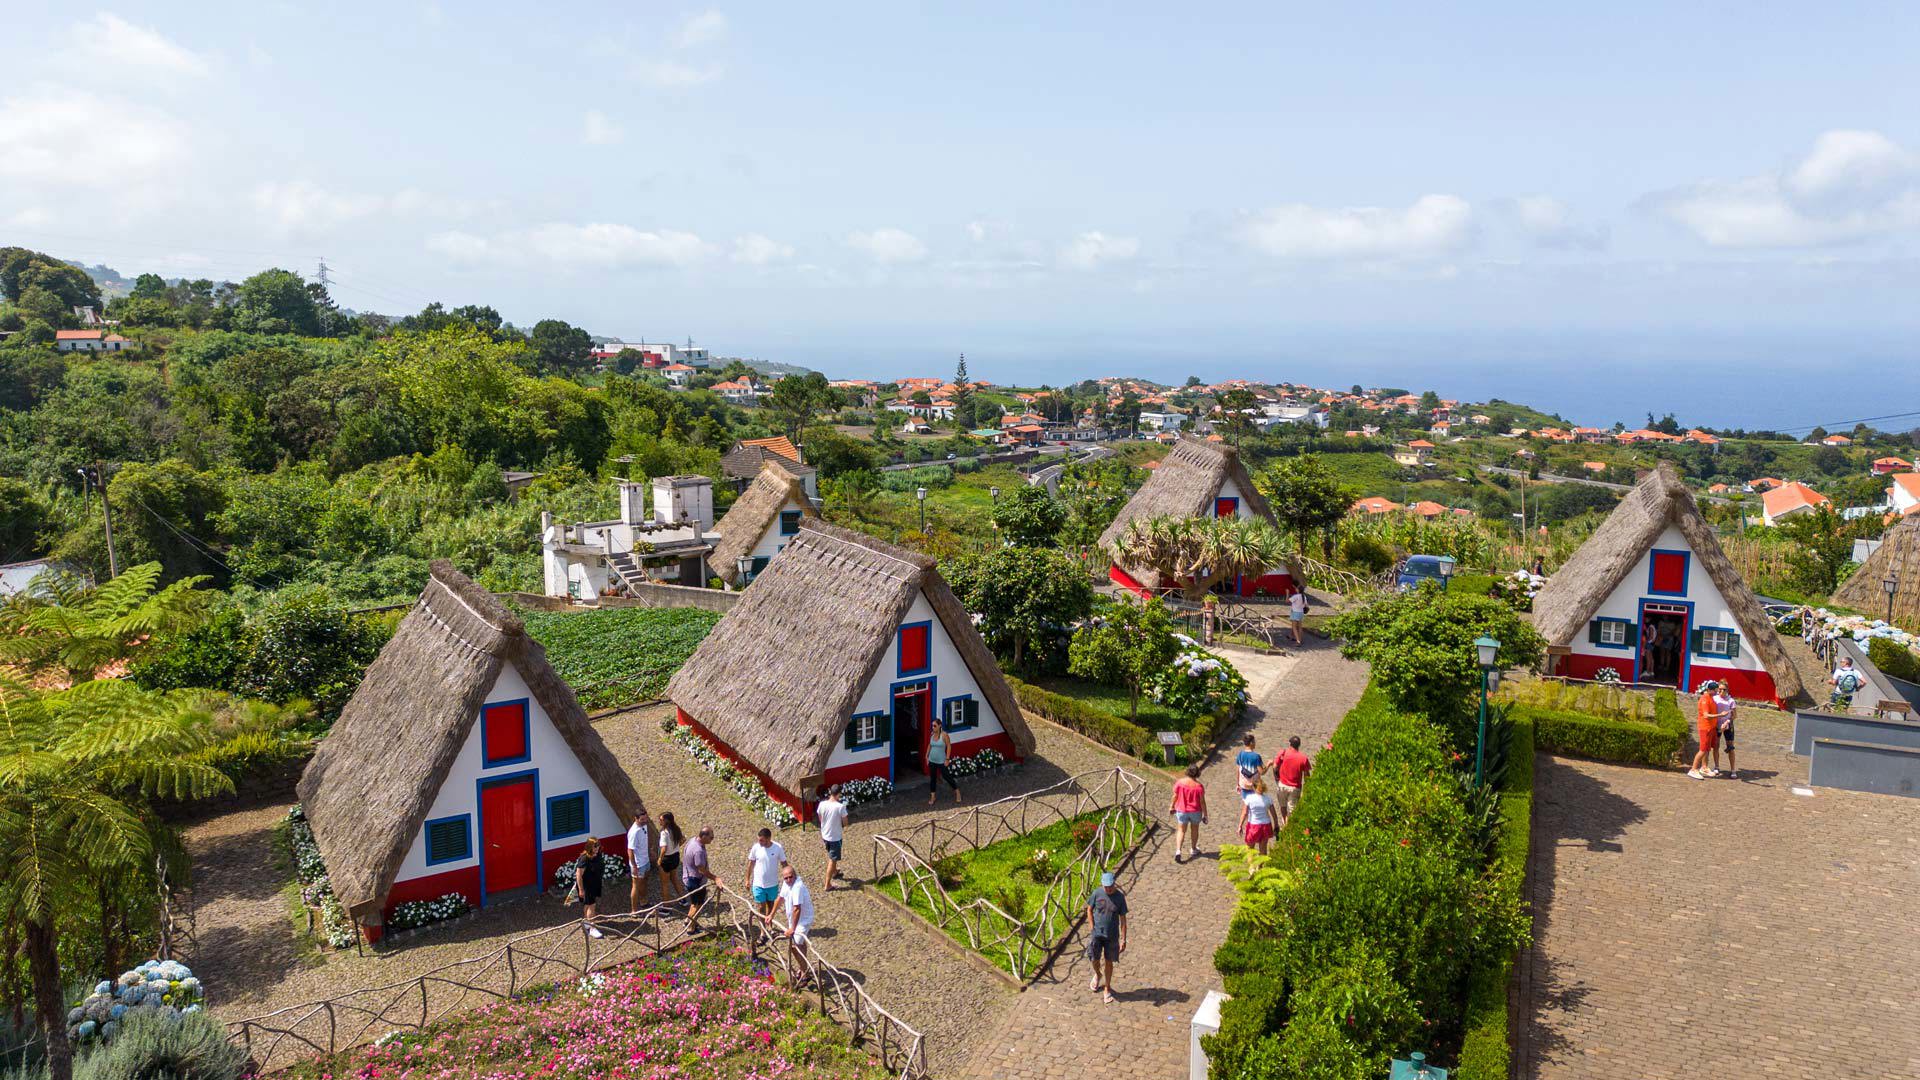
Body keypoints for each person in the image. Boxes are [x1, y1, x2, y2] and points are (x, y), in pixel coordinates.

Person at [1085, 871, 1129, 1005]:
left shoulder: (1120, 898)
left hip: (1111, 936)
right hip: (1097, 934)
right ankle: (1098, 975)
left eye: (1110, 886)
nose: (1108, 889)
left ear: (1114, 884)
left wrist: (1123, 939)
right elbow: (1089, 909)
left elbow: (1123, 920)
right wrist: (1091, 926)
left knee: (1109, 961)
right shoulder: (1097, 893)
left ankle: (1107, 988)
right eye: (1105, 887)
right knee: (1094, 958)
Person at [774, 863, 816, 988]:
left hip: (803, 920)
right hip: (795, 919)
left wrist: (792, 928)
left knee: (794, 946)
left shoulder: (797, 887)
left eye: (790, 877)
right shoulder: (787, 885)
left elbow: (797, 908)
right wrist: (771, 915)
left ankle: (805, 973)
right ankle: (804, 968)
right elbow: (780, 899)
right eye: (785, 878)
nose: (788, 880)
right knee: (800, 944)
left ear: (795, 876)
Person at [745, 827, 788, 919]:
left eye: (762, 840)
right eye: (759, 840)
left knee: (771, 905)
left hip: (772, 883)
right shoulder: (756, 847)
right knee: (761, 907)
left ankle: (769, 924)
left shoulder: (777, 848)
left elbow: (784, 863)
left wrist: (789, 878)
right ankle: (762, 930)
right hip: (758, 884)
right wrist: (747, 879)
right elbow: (751, 863)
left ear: (768, 838)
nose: (759, 842)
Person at [680, 825, 717, 931]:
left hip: (688, 876)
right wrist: (715, 878)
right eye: (711, 837)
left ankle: (687, 921)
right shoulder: (698, 851)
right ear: (704, 836)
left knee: (694, 903)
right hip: (695, 880)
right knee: (697, 905)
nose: (712, 840)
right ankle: (691, 929)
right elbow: (702, 870)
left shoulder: (693, 840)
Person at [1168, 766, 1208, 863]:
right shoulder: (1199, 786)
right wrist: (1205, 814)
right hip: (1195, 811)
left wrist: (1171, 806)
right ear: (1197, 773)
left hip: (1182, 811)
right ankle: (1193, 849)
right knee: (1194, 830)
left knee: (1181, 830)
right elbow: (1202, 802)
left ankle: (1178, 851)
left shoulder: (1180, 783)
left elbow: (1175, 796)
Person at [1273, 736, 1312, 825]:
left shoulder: (1283, 753)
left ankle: (1284, 821)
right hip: (1295, 788)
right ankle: (1289, 825)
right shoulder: (1303, 758)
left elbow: (1275, 767)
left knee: (1283, 806)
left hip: (1282, 784)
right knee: (1292, 810)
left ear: (1290, 744)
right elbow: (1307, 775)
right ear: (1299, 745)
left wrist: (1277, 778)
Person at [816, 786, 849, 891]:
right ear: (838, 794)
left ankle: (835, 871)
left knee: (831, 853)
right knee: (832, 859)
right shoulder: (840, 807)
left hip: (825, 835)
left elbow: (820, 818)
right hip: (835, 837)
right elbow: (845, 823)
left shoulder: (822, 804)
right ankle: (827, 884)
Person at [571, 836, 605, 938]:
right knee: (591, 905)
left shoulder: (598, 855)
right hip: (587, 886)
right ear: (589, 847)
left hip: (595, 883)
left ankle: (586, 921)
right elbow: (579, 875)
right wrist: (581, 889)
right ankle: (592, 928)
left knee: (587, 904)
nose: (597, 849)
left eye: (598, 846)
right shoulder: (584, 858)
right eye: (594, 847)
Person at [1687, 682, 1720, 780]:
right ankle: (1693, 769)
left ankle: (1704, 767)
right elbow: (1706, 715)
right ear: (1710, 690)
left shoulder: (1711, 698)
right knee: (1702, 750)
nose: (1717, 692)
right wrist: (1720, 715)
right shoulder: (1705, 699)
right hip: (1705, 727)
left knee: (1707, 749)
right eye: (1715, 690)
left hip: (1711, 727)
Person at [1239, 777, 1275, 854]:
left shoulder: (1249, 798)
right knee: (1263, 849)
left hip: (1253, 825)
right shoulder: (1268, 798)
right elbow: (1273, 814)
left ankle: (1252, 865)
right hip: (1266, 825)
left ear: (1253, 787)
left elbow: (1244, 813)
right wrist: (1276, 824)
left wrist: (1240, 825)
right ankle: (1261, 866)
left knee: (1250, 849)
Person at [626, 809, 653, 912]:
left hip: (645, 860)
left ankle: (643, 902)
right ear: (636, 819)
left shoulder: (644, 826)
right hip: (638, 864)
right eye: (642, 819)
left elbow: (646, 839)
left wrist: (650, 850)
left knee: (644, 881)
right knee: (636, 886)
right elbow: (630, 850)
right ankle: (634, 910)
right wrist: (634, 866)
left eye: (646, 818)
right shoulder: (634, 832)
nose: (645, 821)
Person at [926, 725, 961, 805]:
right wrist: (926, 756)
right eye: (932, 726)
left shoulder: (944, 735)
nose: (933, 727)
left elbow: (948, 746)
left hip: (941, 760)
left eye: (934, 726)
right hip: (932, 760)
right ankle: (933, 797)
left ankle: (957, 792)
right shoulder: (932, 734)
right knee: (933, 778)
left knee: (947, 776)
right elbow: (930, 745)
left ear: (939, 726)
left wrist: (947, 759)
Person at [656, 812, 684, 904]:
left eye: (661, 820)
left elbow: (664, 848)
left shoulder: (664, 833)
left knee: (665, 884)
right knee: (675, 878)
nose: (659, 821)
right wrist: (676, 846)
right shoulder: (676, 829)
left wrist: (660, 859)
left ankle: (666, 907)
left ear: (666, 821)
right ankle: (683, 899)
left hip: (667, 859)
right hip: (675, 856)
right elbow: (683, 839)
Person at [1713, 682, 1739, 779]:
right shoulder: (1714, 699)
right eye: (1720, 689)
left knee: (1730, 748)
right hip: (1717, 725)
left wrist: (1727, 722)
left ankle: (1733, 770)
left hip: (1728, 726)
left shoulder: (1731, 701)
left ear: (1727, 690)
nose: (1722, 691)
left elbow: (1734, 715)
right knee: (1716, 746)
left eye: (1724, 689)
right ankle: (1716, 767)